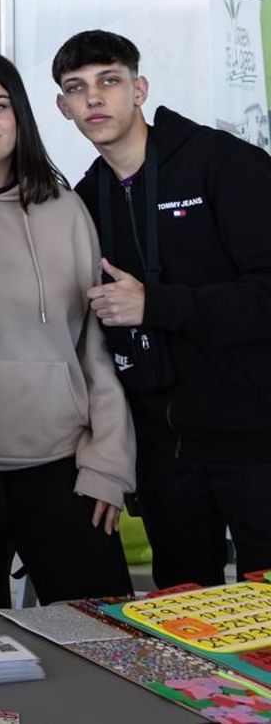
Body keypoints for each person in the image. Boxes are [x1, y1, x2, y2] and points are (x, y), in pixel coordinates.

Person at [0, 51, 134, 619]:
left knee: (105, 639)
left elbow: (97, 348)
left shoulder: (67, 210)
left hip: (61, 467)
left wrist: (109, 465)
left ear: (21, 116)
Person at [54, 30, 271, 588]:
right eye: (77, 89)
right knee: (185, 609)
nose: (94, 99)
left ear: (139, 88)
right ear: (63, 107)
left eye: (109, 81)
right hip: (163, 452)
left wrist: (157, 304)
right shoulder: (84, 200)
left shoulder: (224, 164)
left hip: (254, 441)